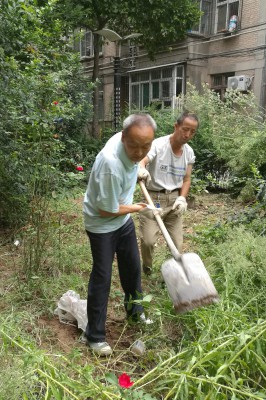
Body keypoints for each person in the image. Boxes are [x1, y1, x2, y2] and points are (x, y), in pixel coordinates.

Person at [82, 113, 158, 356]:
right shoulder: (110, 165)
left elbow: (140, 156)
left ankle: (135, 314)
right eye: (134, 146)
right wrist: (138, 208)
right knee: (102, 277)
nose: (139, 151)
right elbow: (106, 210)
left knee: (132, 268)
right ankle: (95, 337)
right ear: (123, 138)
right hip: (102, 224)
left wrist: (141, 167)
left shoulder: (135, 143)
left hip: (122, 220)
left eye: (145, 146)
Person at [137, 111, 198, 276]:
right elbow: (142, 160)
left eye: (192, 132)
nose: (188, 134)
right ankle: (147, 268)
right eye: (185, 129)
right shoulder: (158, 145)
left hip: (174, 201)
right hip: (153, 199)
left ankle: (174, 275)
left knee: (177, 244)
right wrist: (141, 169)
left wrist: (182, 198)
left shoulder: (189, 153)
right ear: (176, 126)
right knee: (148, 241)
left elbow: (186, 179)